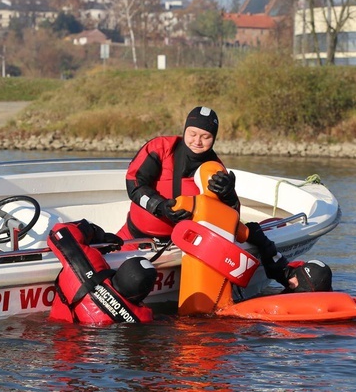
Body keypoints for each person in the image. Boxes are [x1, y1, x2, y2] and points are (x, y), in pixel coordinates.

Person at [117, 106, 239, 244]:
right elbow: (134, 185)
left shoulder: (215, 169)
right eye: (192, 134)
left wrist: (229, 196)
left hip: (181, 248)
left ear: (214, 139)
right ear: (185, 130)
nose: (197, 141)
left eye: (206, 137)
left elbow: (230, 220)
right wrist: (160, 207)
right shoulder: (161, 148)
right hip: (133, 238)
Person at [48, 219, 156, 324]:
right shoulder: (143, 317)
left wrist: (97, 234)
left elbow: (59, 232)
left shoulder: (87, 269)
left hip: (59, 330)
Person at [244, 222, 333, 292]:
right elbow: (278, 269)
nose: (291, 279)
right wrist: (262, 241)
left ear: (309, 288)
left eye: (298, 278)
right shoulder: (295, 282)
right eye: (296, 274)